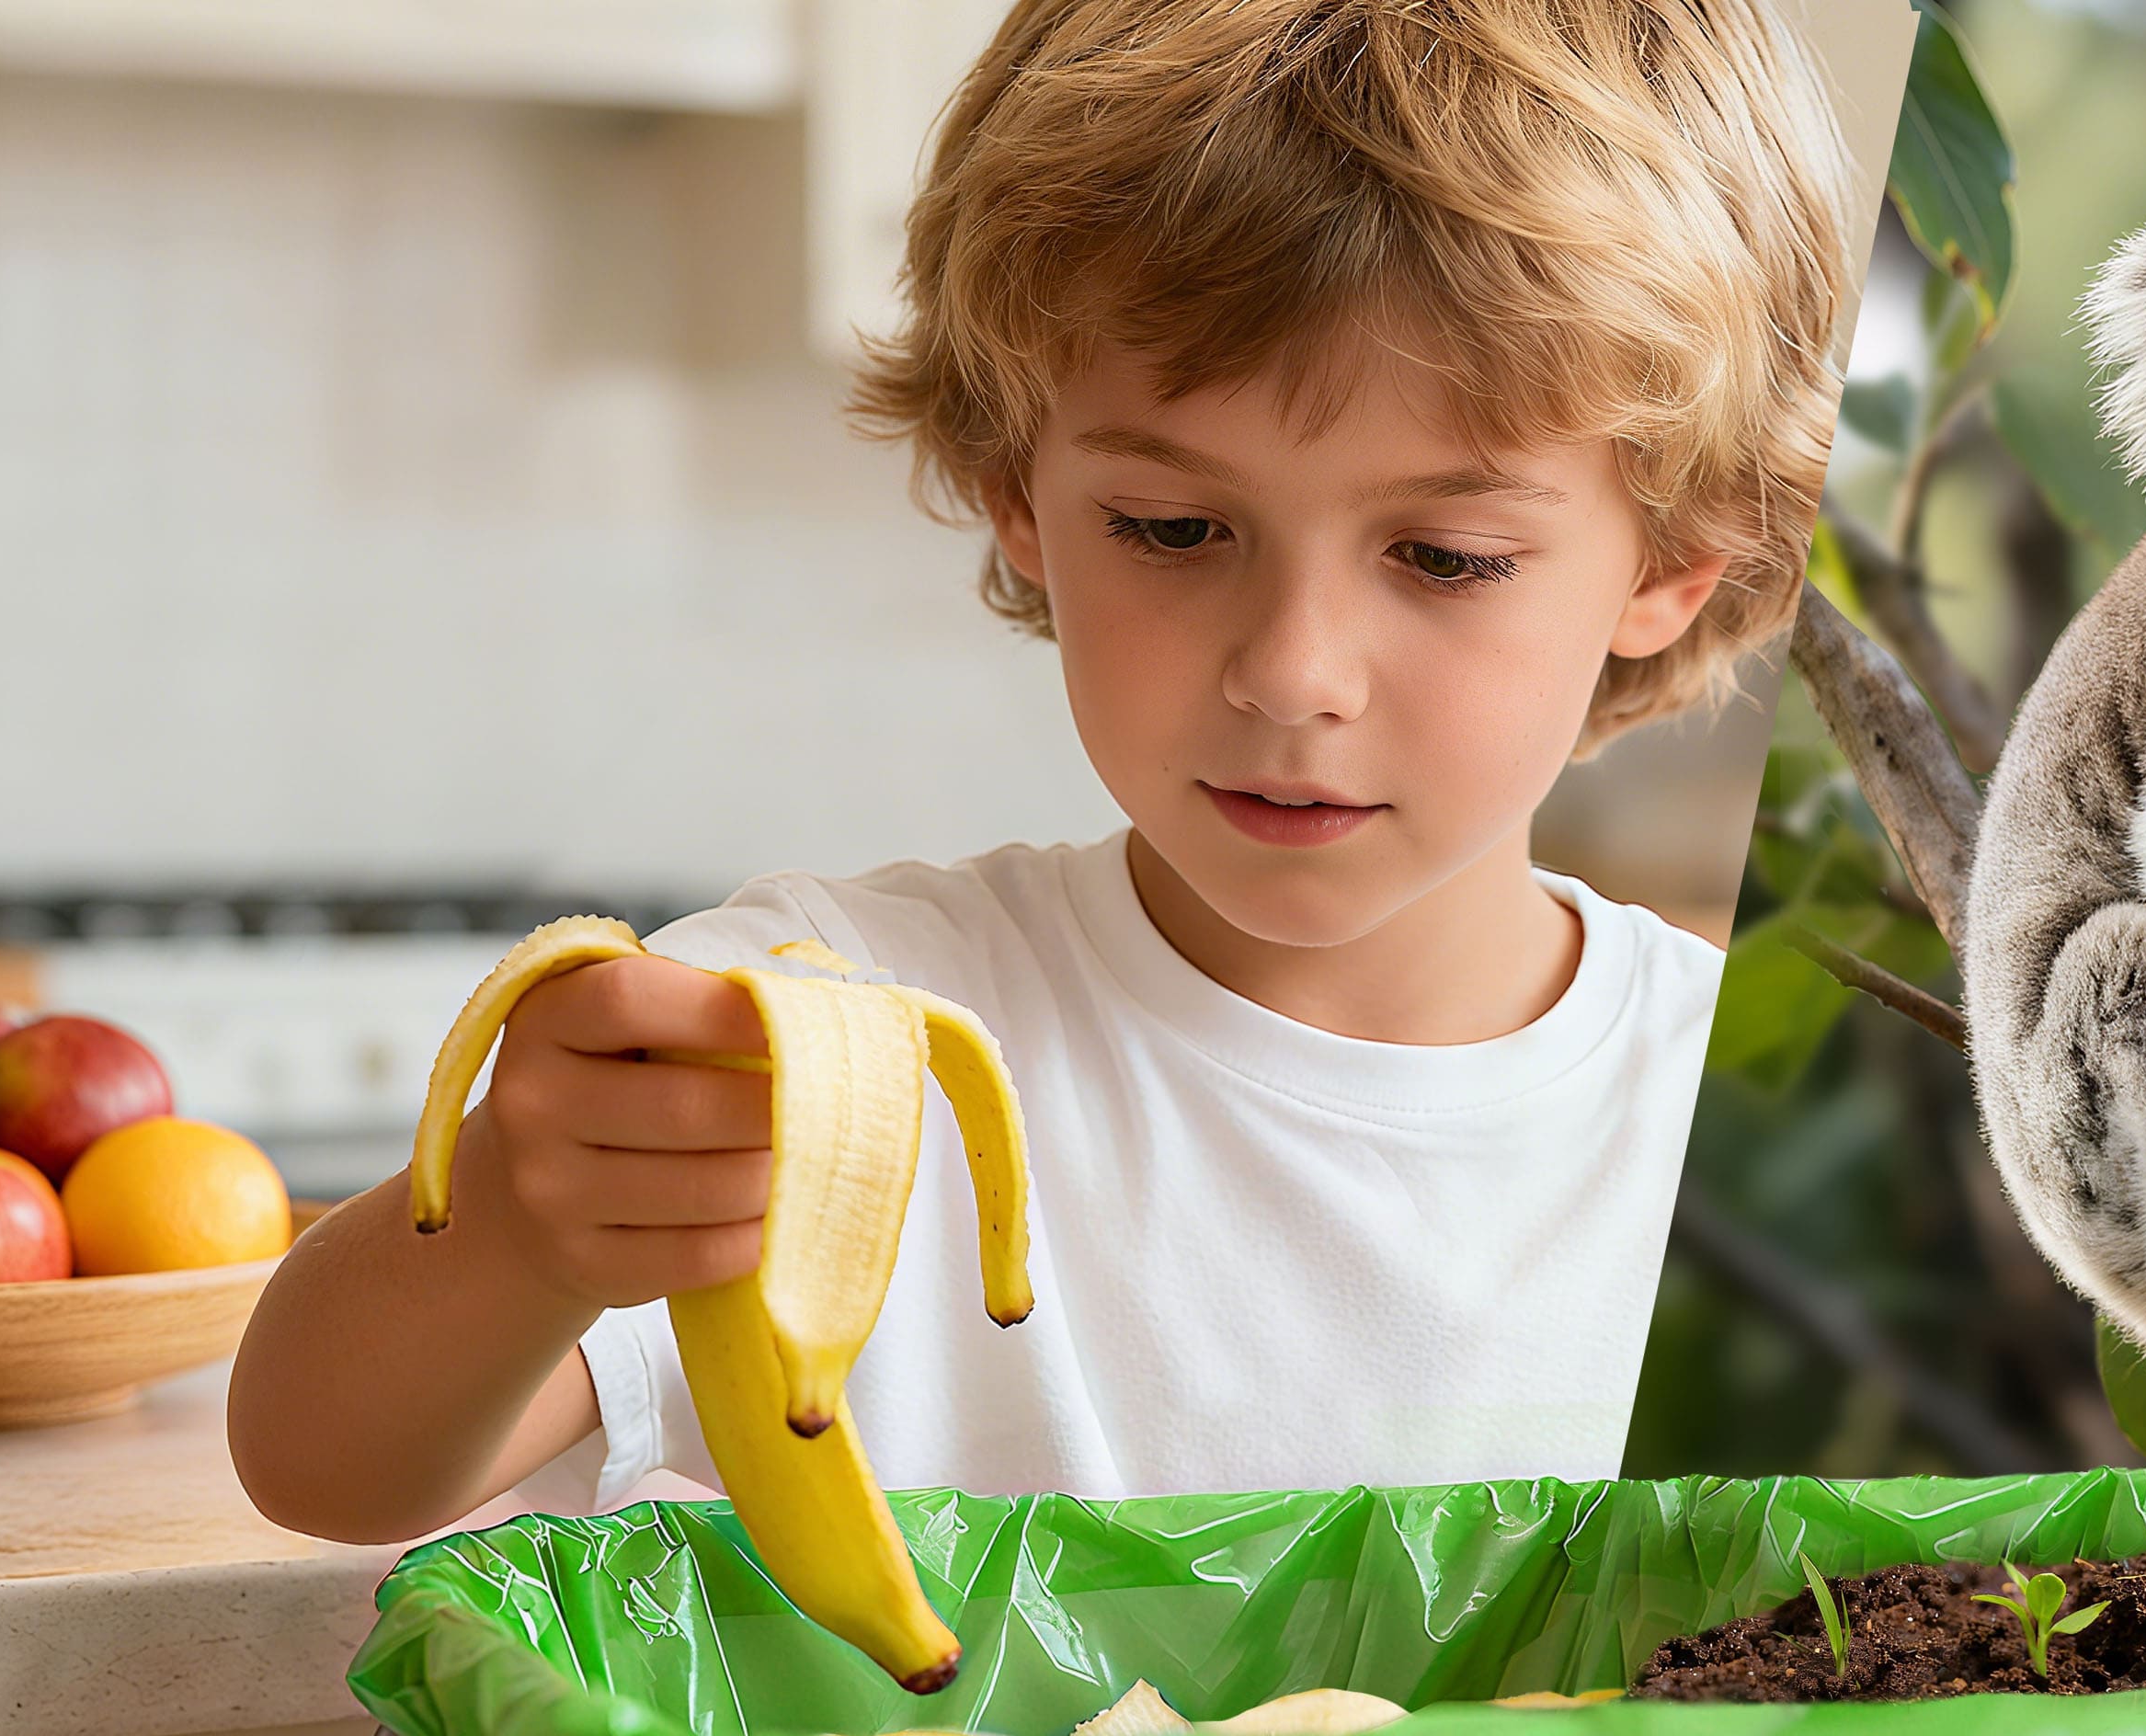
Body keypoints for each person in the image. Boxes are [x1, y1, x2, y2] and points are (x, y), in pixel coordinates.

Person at [230, 0, 1855, 1542]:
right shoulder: (834, 1029)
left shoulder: (1784, 1143)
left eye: (1442, 554)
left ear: (1679, 558)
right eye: (1171, 529)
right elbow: (322, 1465)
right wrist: (522, 1220)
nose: (1291, 670)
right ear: (1020, 487)